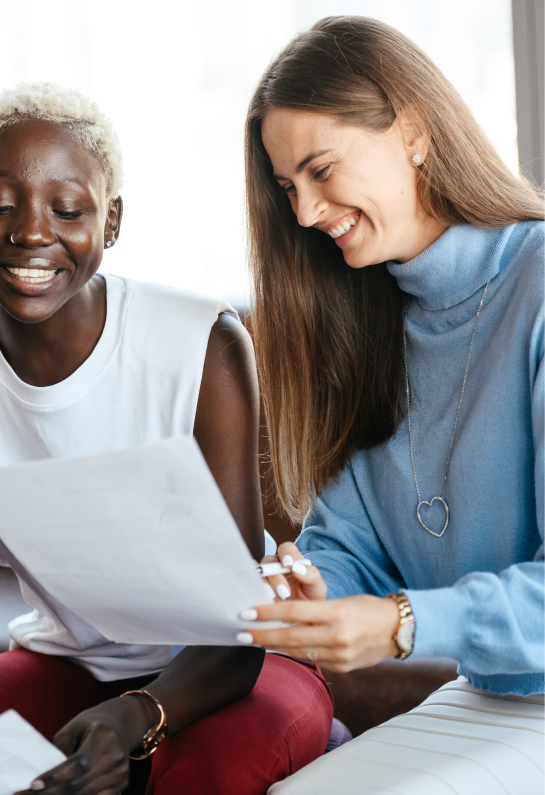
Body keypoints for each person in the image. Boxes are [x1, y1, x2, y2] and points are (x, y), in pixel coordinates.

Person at [0, 83, 332, 795]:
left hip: (237, 665)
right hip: (70, 667)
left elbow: (235, 631)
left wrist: (137, 715)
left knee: (207, 774)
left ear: (110, 222)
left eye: (67, 209)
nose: (31, 233)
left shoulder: (204, 343)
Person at [235, 15, 545, 793]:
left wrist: (403, 622)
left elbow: (399, 613)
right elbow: (350, 549)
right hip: (495, 695)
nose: (305, 213)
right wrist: (304, 589)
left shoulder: (536, 288)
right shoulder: (360, 321)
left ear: (411, 131)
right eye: (287, 187)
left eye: (321, 169)